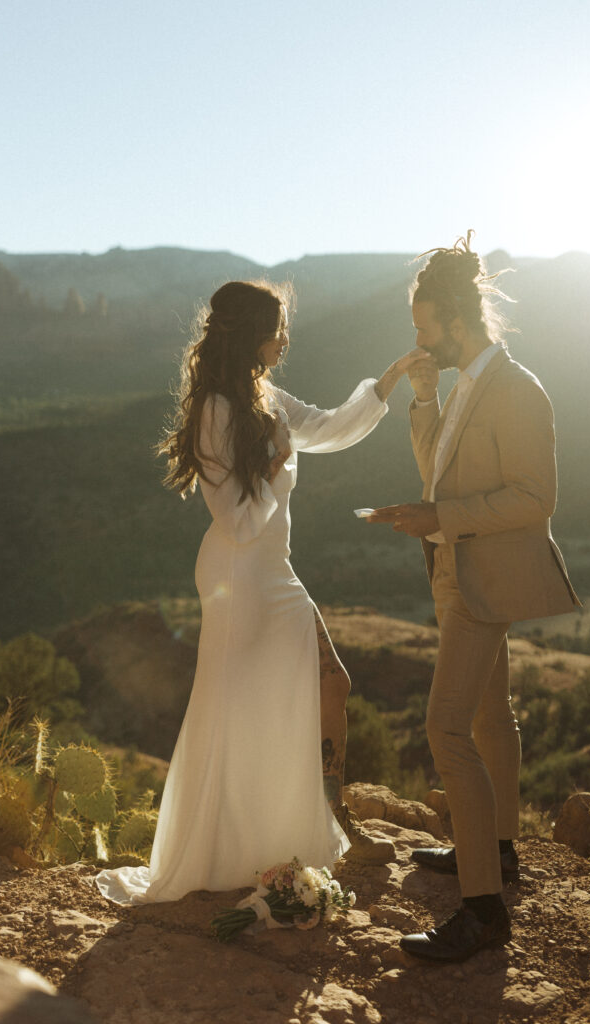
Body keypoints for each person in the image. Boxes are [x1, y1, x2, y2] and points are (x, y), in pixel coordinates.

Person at [95, 279, 423, 905]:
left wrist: (390, 379)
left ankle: (320, 822)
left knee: (328, 684)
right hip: (238, 574)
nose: (286, 339)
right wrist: (274, 463)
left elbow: (326, 427)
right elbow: (237, 519)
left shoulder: (261, 394)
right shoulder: (217, 410)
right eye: (277, 328)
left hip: (273, 568)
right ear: (250, 334)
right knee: (235, 709)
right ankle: (233, 846)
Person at [369, 233, 580, 962]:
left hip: (482, 581)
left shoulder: (519, 391)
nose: (420, 340)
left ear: (457, 321)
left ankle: (484, 911)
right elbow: (436, 476)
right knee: (493, 715)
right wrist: (423, 401)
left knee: (446, 730)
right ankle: (494, 851)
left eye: (427, 328)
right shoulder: (462, 388)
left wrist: (443, 519)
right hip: (454, 570)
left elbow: (536, 497)